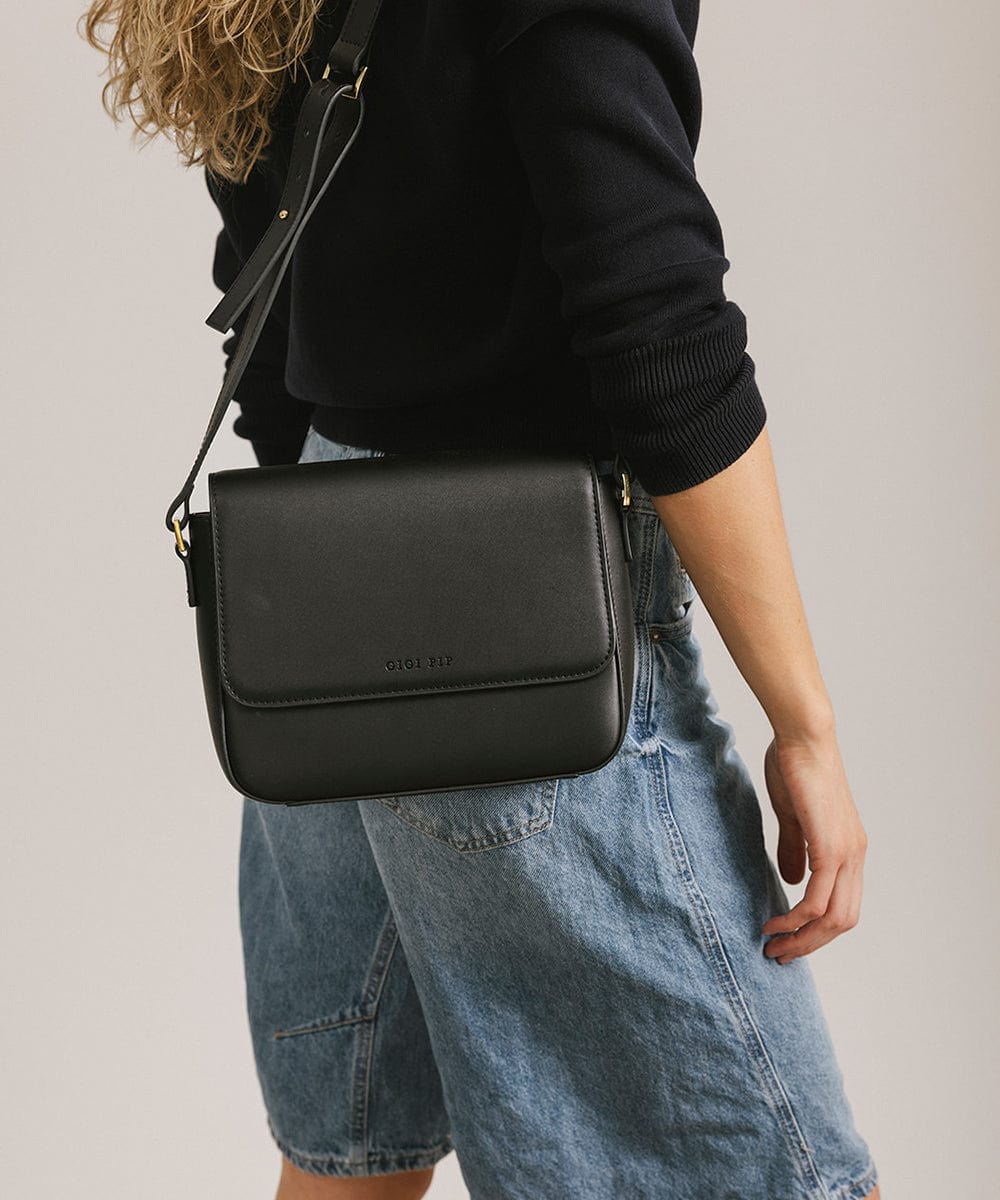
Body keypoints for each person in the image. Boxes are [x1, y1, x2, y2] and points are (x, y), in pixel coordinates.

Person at [82, 2, 881, 1197]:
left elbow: (266, 279)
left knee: (350, 1164)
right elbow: (661, 332)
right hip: (519, 619)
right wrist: (805, 720)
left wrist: (326, 533)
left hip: (326, 614)